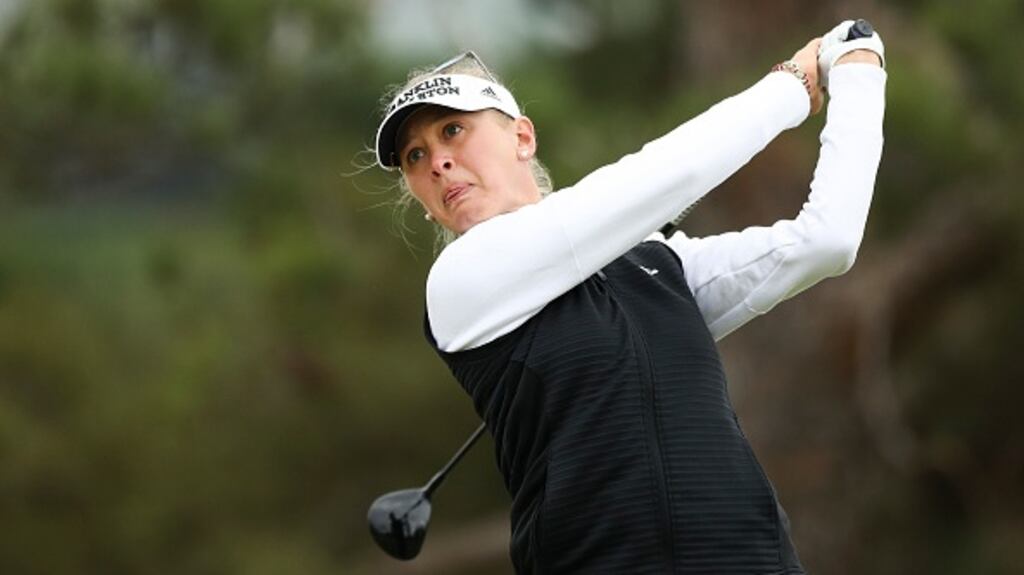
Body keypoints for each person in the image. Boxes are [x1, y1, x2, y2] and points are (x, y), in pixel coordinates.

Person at [373, 19, 886, 574]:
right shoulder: (460, 284)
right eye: (415, 158)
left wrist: (859, 75)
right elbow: (666, 175)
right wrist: (788, 86)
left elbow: (825, 241)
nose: (437, 162)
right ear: (424, 201)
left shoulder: (655, 261)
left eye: (452, 131)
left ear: (522, 137)